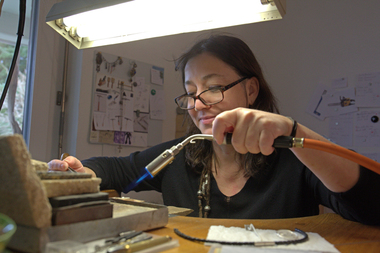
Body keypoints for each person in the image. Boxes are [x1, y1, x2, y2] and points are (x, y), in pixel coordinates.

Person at [48, 34, 380, 225]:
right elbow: (117, 169)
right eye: (191, 93)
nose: (199, 104)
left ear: (251, 90)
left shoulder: (295, 162)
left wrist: (294, 131)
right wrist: (80, 172)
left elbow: (370, 206)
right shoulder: (180, 154)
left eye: (213, 88)